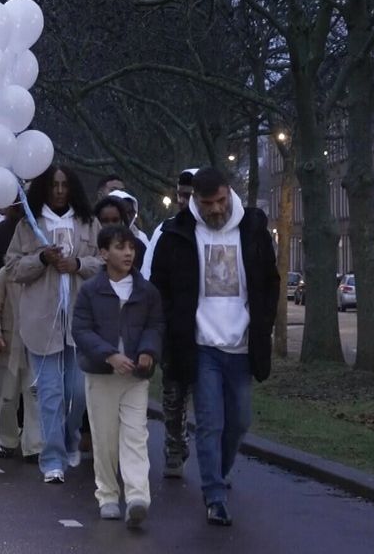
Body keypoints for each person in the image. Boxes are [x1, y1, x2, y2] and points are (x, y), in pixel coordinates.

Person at [150, 166, 279, 526]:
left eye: (221, 201)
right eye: (208, 204)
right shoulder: (177, 233)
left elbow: (270, 280)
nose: (216, 209)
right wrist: (171, 332)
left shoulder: (252, 228)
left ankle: (217, 472)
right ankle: (215, 495)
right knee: (210, 422)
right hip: (200, 344)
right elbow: (160, 286)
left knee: (239, 421)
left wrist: (264, 322)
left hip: (242, 343)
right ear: (195, 200)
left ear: (229, 192)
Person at [5, 165, 103, 484]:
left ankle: (70, 437)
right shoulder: (28, 225)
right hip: (41, 320)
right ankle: (52, 459)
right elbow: (13, 268)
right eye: (53, 185)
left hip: (80, 318)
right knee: (50, 393)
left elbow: (104, 262)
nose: (59, 191)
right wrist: (41, 259)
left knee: (76, 392)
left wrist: (78, 264)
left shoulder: (88, 223)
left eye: (64, 185)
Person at [73, 225, 163, 527]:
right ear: (103, 253)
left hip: (135, 378)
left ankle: (138, 497)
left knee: (136, 435)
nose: (128, 253)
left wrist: (148, 350)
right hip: (102, 376)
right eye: (120, 247)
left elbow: (155, 325)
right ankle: (108, 495)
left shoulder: (146, 291)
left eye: (131, 248)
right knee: (106, 439)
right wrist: (109, 354)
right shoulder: (90, 290)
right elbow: (81, 329)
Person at [141, 167, 197, 477]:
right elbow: (152, 277)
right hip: (175, 329)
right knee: (174, 394)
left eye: (189, 196)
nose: (183, 201)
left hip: (210, 331)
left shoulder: (220, 232)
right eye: (180, 195)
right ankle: (175, 447)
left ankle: (216, 458)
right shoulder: (165, 231)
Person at [0, 262, 42, 462]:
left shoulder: (44, 273)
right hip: (8, 346)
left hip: (37, 345)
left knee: (34, 396)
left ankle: (34, 446)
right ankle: (7, 440)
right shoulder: (6, 273)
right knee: (7, 397)